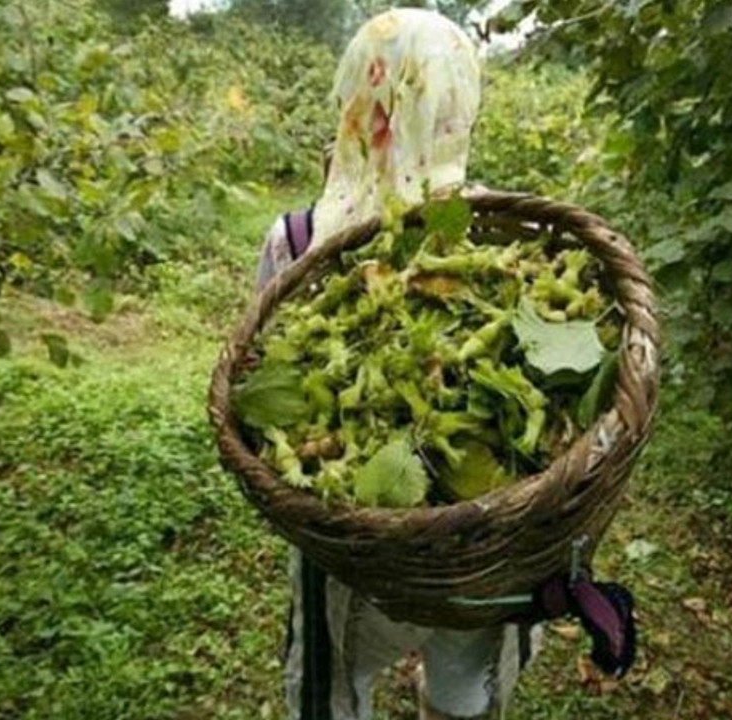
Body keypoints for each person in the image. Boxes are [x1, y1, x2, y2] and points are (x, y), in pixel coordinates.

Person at [252, 9, 541, 720]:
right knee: (463, 688)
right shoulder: (496, 231)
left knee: (333, 681)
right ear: (457, 105)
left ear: (355, 99)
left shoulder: (295, 240)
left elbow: (260, 380)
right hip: (479, 537)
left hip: (352, 540)